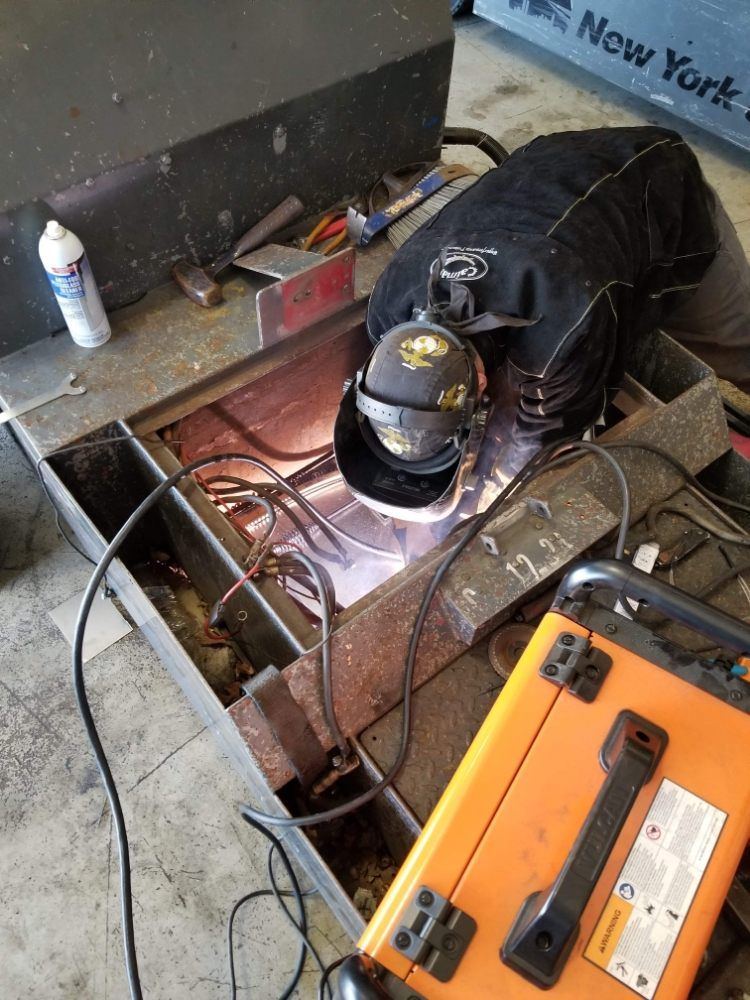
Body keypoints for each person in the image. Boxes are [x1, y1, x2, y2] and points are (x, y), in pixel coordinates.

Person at [334, 125, 750, 521]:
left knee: (737, 350)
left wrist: (493, 498)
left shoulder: (562, 330)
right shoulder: (388, 306)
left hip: (655, 181)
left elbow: (540, 441)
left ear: (481, 383)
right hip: (545, 180)